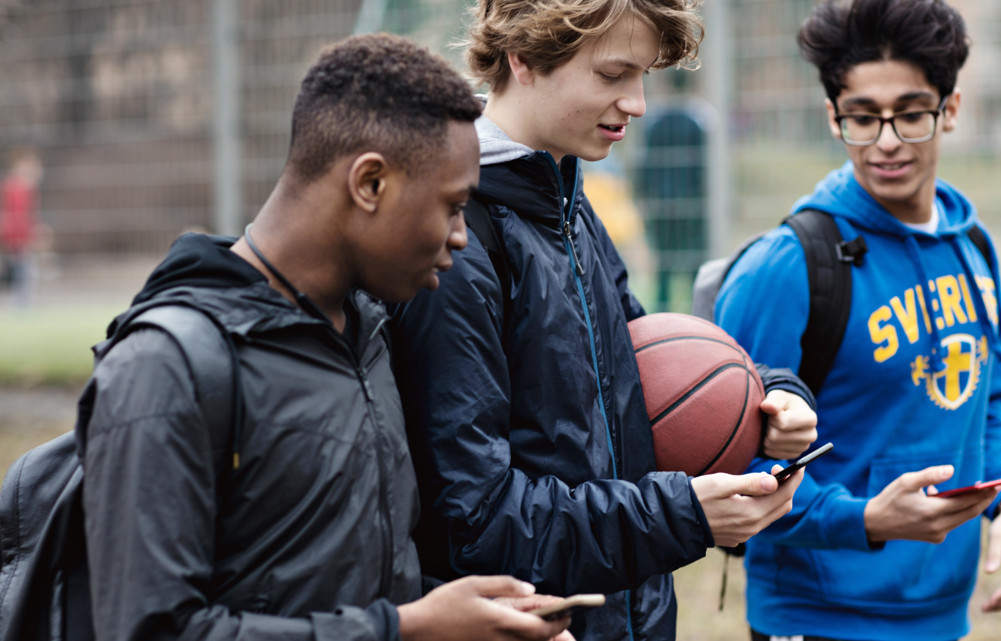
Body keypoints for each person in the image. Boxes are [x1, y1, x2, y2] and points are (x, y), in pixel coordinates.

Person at [77, 33, 574, 641]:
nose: (461, 236)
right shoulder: (165, 367)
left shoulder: (369, 340)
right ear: (369, 184)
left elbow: (338, 589)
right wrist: (410, 628)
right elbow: (147, 629)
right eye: (450, 206)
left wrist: (467, 618)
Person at [389, 2, 818, 639]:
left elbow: (651, 365)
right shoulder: (455, 248)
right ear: (524, 59)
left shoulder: (567, 205)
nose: (638, 102)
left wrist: (770, 396)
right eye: (614, 75)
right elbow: (474, 519)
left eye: (643, 75)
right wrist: (683, 515)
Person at [714, 1, 1001, 639]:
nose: (887, 140)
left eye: (911, 114)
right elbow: (726, 468)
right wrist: (862, 520)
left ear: (950, 110)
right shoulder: (787, 267)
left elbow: (987, 403)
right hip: (816, 616)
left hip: (941, 615)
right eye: (863, 118)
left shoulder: (970, 248)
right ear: (833, 120)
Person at [634, 68, 712, 312]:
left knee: (664, 269)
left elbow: (645, 166)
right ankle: (698, 318)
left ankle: (660, 318)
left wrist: (644, 198)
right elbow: (705, 168)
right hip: (693, 204)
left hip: (662, 205)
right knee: (694, 266)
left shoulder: (654, 123)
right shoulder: (699, 121)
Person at [0, 148, 44, 307]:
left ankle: (21, 303)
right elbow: (17, 216)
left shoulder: (21, 188)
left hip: (17, 235)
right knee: (24, 271)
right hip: (16, 236)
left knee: (22, 270)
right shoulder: (16, 188)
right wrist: (27, 235)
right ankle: (20, 304)